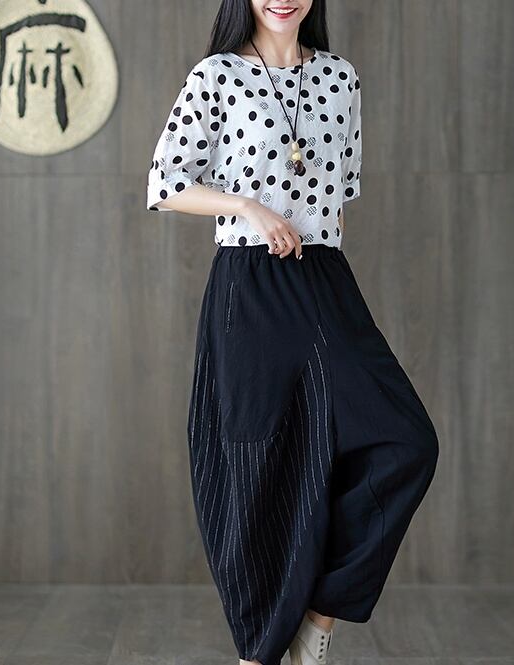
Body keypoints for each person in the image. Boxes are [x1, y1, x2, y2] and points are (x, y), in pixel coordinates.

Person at [145, 2, 440, 665]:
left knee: (405, 441)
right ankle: (258, 652)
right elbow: (166, 184)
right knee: (255, 469)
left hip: (324, 278)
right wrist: (246, 206)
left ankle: (317, 618)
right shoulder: (217, 74)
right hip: (248, 284)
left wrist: (322, 271)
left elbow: (339, 196)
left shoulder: (340, 77)